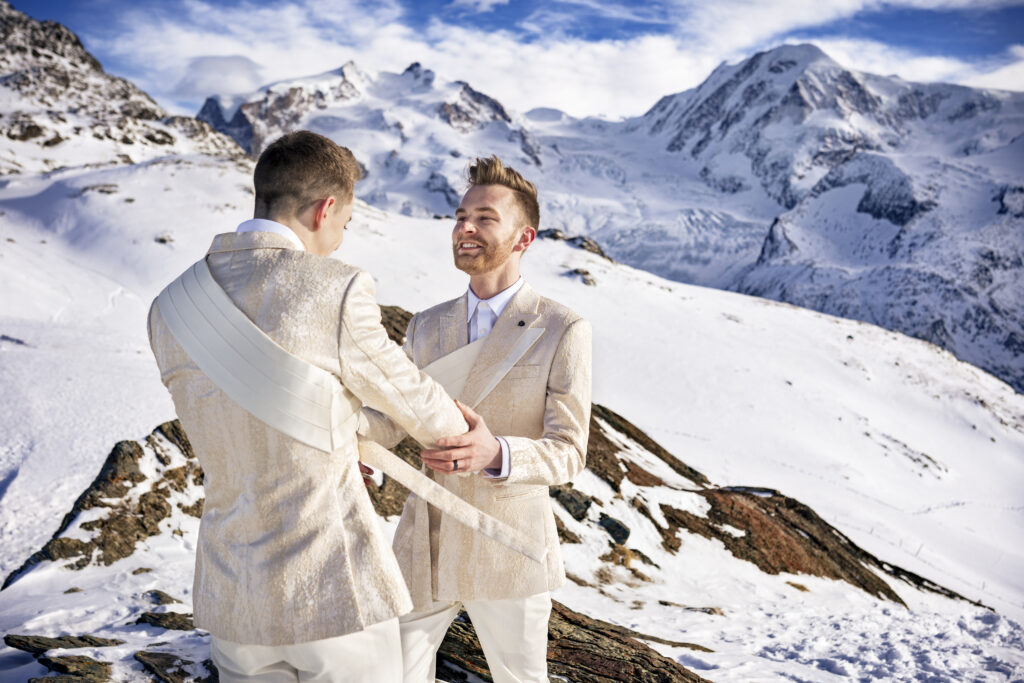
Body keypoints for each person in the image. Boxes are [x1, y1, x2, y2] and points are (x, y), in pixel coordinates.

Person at [147, 130, 471, 682]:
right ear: (326, 209)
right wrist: (464, 427)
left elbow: (265, 418)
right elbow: (416, 403)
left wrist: (343, 437)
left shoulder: (169, 307)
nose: (340, 240)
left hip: (234, 597)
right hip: (332, 586)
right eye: (344, 224)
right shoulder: (333, 288)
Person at [362, 156, 592, 682]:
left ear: (523, 237)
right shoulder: (425, 326)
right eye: (461, 215)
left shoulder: (562, 328)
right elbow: (392, 416)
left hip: (508, 540)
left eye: (485, 218)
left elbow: (570, 450)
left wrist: (497, 453)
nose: (465, 227)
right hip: (425, 537)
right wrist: (353, 445)